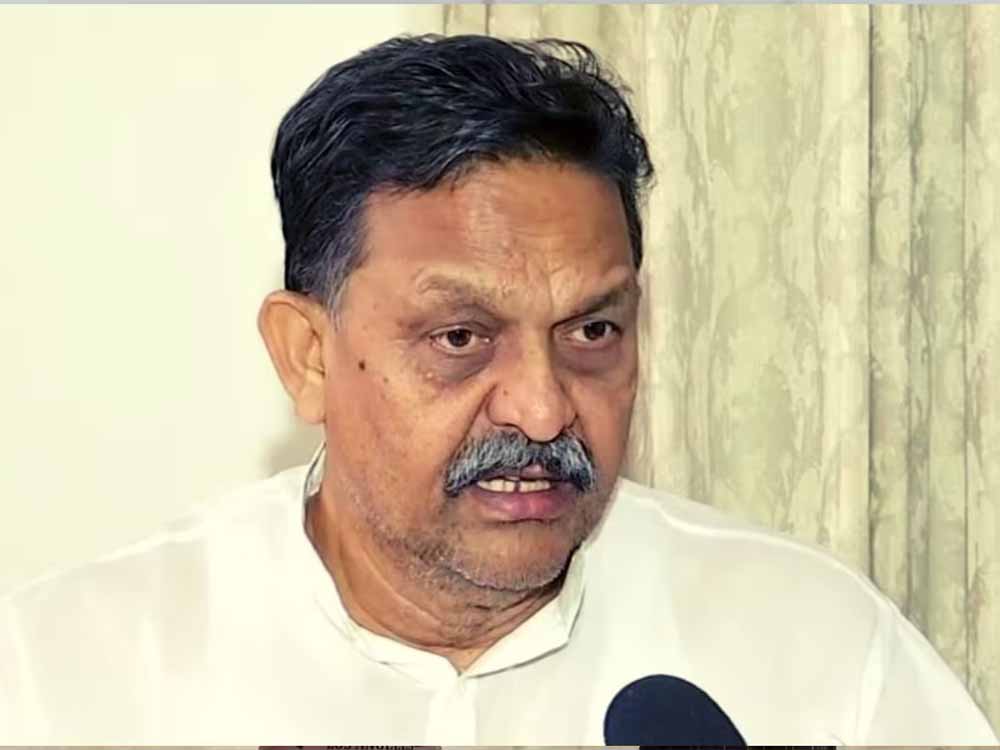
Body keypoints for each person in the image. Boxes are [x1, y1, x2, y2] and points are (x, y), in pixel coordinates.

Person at [0, 34, 996, 746]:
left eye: (592, 331)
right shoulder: (68, 679)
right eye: (461, 339)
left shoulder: (816, 651)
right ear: (307, 356)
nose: (543, 408)